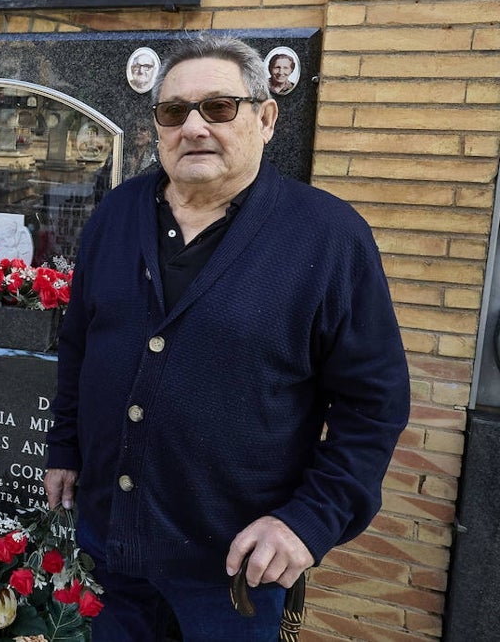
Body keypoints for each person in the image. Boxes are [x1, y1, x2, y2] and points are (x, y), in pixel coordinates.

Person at [45, 35, 409, 641]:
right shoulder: (115, 215)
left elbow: (374, 405)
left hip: (234, 567)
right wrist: (65, 446)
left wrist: (310, 521)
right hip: (112, 542)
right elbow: (79, 343)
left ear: (265, 118)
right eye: (174, 111)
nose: (193, 127)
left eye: (218, 108)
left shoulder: (328, 236)